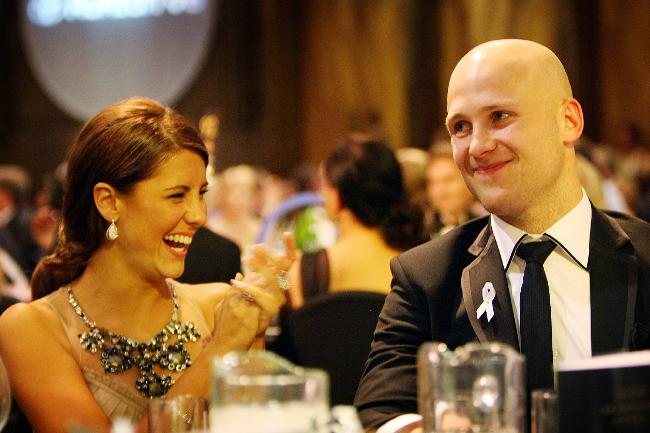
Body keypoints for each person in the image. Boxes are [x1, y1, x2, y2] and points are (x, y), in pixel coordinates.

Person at [354, 39, 650, 433]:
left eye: (499, 116)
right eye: (461, 127)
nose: (477, 146)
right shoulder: (426, 278)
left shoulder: (645, 256)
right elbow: (379, 415)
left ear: (569, 121)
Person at [0, 97, 294, 433]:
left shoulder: (220, 306)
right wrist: (221, 351)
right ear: (109, 202)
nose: (198, 216)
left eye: (201, 193)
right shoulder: (32, 328)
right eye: (176, 195)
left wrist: (277, 295)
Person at [287, 135, 427, 308]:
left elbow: (297, 327)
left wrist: (280, 279)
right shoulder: (425, 262)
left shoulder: (307, 271)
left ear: (337, 197)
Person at [425, 141, 481, 237]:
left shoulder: (486, 227)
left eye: (448, 180)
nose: (440, 191)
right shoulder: (421, 233)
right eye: (433, 183)